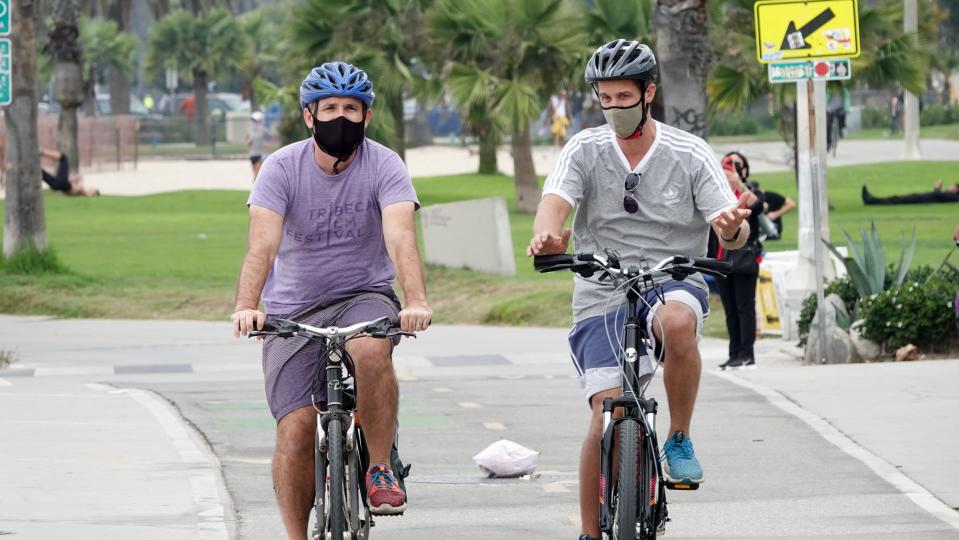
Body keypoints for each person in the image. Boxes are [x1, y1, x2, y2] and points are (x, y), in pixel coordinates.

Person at [527, 39, 751, 540]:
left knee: (676, 322)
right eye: (604, 99)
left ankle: (678, 438)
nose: (613, 109)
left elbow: (729, 228)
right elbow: (555, 203)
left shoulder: (689, 152)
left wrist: (732, 229)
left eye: (623, 98)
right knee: (605, 413)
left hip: (673, 277)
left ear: (649, 92)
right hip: (601, 288)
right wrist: (547, 235)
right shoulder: (583, 148)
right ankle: (589, 530)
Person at [231, 61, 432, 539]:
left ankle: (379, 466)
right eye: (330, 109)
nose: (340, 117)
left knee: (369, 349)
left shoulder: (385, 164)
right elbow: (262, 244)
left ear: (366, 115)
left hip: (363, 295)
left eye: (351, 108)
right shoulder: (281, 167)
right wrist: (247, 305)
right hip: (292, 309)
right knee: (296, 431)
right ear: (309, 116)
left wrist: (416, 300)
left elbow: (401, 236)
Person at [714, 152, 764, 370]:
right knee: (730, 309)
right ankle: (734, 353)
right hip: (722, 259)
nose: (733, 167)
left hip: (745, 259)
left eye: (737, 164)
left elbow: (757, 206)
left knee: (745, 307)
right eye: (728, 163)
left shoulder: (750, 191)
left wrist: (739, 184)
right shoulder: (718, 193)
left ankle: (747, 354)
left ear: (744, 169)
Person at [862, 179, 959, 205]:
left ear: (956, 189)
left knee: (895, 200)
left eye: (952, 186)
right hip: (920, 198)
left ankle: (871, 200)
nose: (950, 186)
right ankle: (872, 199)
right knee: (895, 199)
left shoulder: (953, 196)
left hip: (920, 200)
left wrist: (937, 187)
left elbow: (938, 195)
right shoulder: (951, 195)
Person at [246, 110, 266, 180]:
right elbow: (248, 143)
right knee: (255, 174)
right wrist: (248, 141)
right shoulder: (251, 131)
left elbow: (270, 139)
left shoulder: (262, 131)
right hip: (252, 154)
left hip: (259, 154)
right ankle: (255, 188)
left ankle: (256, 188)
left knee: (258, 173)